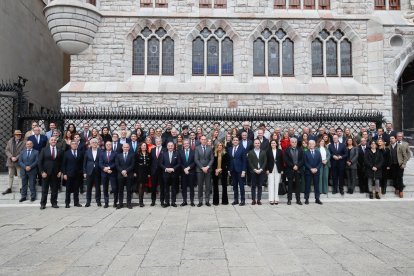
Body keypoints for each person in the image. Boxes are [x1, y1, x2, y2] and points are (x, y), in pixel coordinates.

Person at [38, 136, 63, 209]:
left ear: (56, 141)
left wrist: (60, 171)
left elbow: (62, 162)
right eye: (52, 140)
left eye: (55, 140)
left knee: (54, 189)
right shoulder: (44, 150)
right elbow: (40, 162)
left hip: (56, 173)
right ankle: (43, 204)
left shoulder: (60, 150)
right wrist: (42, 172)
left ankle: (54, 203)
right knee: (44, 190)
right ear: (49, 141)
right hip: (46, 173)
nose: (53, 141)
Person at [61, 141, 84, 208]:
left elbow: (82, 163)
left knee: (76, 189)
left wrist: (82, 172)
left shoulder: (80, 153)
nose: (74, 145)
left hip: (78, 174)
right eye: (73, 144)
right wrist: (64, 174)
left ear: (77, 145)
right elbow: (63, 164)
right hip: (69, 174)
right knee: (68, 189)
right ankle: (67, 203)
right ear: (70, 145)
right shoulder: (66, 153)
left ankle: (76, 202)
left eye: (75, 144)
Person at [3, 130, 25, 195]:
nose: (18, 135)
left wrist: (17, 157)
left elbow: (23, 151)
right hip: (10, 161)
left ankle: (21, 188)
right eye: (17, 134)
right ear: (14, 135)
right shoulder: (10, 141)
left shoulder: (23, 142)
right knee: (10, 175)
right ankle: (9, 188)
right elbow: (6, 150)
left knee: (20, 175)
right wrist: (11, 157)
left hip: (19, 161)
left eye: (19, 134)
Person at [194, 135, 214, 207]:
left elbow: (212, 159)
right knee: (200, 186)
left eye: (205, 139)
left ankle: (207, 200)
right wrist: (202, 167)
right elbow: (196, 159)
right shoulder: (197, 148)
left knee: (208, 186)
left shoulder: (210, 148)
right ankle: (200, 201)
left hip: (208, 170)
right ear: (200, 140)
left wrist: (207, 167)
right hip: (200, 170)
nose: (204, 140)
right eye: (202, 139)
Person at [284, 138, 303, 205]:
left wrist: (297, 166)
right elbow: (286, 160)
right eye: (293, 142)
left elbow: (302, 159)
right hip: (290, 170)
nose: (294, 143)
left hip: (298, 170)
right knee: (290, 185)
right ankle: (289, 199)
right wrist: (293, 166)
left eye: (295, 142)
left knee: (298, 186)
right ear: (290, 143)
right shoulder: (287, 150)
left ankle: (298, 200)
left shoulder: (300, 149)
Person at [160, 142, 180, 207]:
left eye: (172, 146)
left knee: (174, 189)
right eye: (169, 146)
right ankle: (167, 202)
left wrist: (173, 169)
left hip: (174, 174)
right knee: (166, 189)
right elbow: (160, 164)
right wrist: (166, 169)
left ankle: (173, 202)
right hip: (165, 174)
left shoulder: (177, 154)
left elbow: (179, 163)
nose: (170, 147)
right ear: (167, 146)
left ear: (173, 147)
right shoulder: (163, 154)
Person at [248, 139, 267, 205]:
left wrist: (261, 169)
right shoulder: (250, 152)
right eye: (256, 143)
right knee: (253, 186)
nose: (257, 144)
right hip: (253, 172)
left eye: (258, 143)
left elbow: (265, 161)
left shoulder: (263, 152)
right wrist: (255, 169)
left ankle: (259, 200)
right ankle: (253, 200)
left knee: (260, 186)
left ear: (260, 144)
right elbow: (250, 162)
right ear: (254, 144)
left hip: (261, 172)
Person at [228, 136, 247, 206]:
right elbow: (229, 160)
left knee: (241, 186)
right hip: (232, 170)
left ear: (239, 141)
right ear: (232, 141)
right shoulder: (230, 149)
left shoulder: (242, 149)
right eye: (234, 140)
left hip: (240, 170)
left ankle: (242, 200)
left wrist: (244, 171)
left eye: (236, 140)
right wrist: (229, 170)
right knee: (234, 186)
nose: (235, 141)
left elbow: (244, 161)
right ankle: (236, 200)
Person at [115, 143, 135, 209]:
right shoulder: (118, 155)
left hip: (129, 175)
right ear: (122, 148)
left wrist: (126, 171)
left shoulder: (132, 155)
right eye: (124, 147)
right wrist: (122, 171)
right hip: (120, 175)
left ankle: (129, 204)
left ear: (129, 148)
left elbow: (132, 165)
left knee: (129, 190)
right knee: (120, 190)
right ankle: (120, 203)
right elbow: (117, 165)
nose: (125, 148)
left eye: (127, 147)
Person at [99, 141, 118, 208]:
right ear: (105, 145)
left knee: (114, 188)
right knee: (105, 188)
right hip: (104, 173)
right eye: (107, 144)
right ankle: (106, 203)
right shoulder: (102, 153)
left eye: (110, 144)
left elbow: (116, 163)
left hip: (112, 173)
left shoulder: (115, 153)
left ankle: (115, 202)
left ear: (112, 145)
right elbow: (100, 163)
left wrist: (109, 168)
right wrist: (105, 169)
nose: (108, 145)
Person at [83, 138, 101, 207]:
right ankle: (88, 201)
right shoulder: (87, 152)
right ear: (90, 144)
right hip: (89, 172)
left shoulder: (100, 151)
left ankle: (98, 201)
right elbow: (84, 163)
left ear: (97, 144)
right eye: (93, 142)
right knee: (89, 188)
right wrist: (84, 172)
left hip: (97, 172)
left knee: (98, 188)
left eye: (95, 142)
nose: (94, 143)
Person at [304, 140, 323, 205]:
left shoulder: (318, 152)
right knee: (307, 186)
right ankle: (306, 199)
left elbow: (320, 162)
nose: (311, 145)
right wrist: (310, 168)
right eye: (310, 144)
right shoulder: (306, 152)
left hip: (316, 172)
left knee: (317, 186)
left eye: (312, 144)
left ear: (315, 145)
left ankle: (317, 199)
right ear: (308, 145)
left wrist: (316, 168)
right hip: (308, 172)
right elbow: (305, 162)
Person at [179, 140, 196, 206]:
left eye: (187, 143)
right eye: (185, 143)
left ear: (189, 144)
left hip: (191, 172)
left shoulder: (193, 152)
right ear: (183, 145)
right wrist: (184, 169)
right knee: (184, 187)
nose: (186, 144)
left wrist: (188, 168)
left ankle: (192, 201)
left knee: (192, 187)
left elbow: (195, 162)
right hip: (183, 172)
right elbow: (179, 162)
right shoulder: (180, 152)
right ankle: (184, 201)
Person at [266, 140, 283, 205]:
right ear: (270, 144)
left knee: (276, 184)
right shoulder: (268, 151)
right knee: (271, 184)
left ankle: (276, 199)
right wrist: (266, 169)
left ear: (276, 144)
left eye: (274, 143)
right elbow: (266, 161)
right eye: (272, 143)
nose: (273, 144)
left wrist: (282, 170)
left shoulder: (280, 151)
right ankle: (271, 199)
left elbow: (282, 161)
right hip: (270, 169)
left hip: (278, 169)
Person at [212, 142, 229, 206]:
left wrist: (220, 169)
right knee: (215, 186)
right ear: (216, 146)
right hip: (215, 172)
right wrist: (215, 170)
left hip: (223, 171)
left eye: (221, 145)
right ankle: (216, 202)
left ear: (222, 146)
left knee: (224, 186)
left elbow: (226, 163)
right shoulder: (214, 154)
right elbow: (213, 163)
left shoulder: (225, 154)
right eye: (218, 145)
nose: (219, 146)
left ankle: (225, 201)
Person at [135, 142, 151, 207]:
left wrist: (149, 173)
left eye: (145, 146)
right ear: (140, 147)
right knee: (140, 186)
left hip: (146, 172)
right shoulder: (137, 154)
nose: (144, 147)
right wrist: (135, 172)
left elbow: (150, 164)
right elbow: (135, 164)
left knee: (143, 186)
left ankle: (141, 200)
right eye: (142, 146)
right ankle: (140, 201)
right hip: (139, 171)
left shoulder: (149, 154)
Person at [150, 137, 164, 206]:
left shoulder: (165, 149)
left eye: (159, 141)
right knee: (153, 187)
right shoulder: (152, 150)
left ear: (161, 142)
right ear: (155, 142)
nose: (158, 142)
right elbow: (151, 161)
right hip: (154, 171)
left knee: (162, 187)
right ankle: (153, 200)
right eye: (157, 141)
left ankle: (162, 201)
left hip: (162, 171)